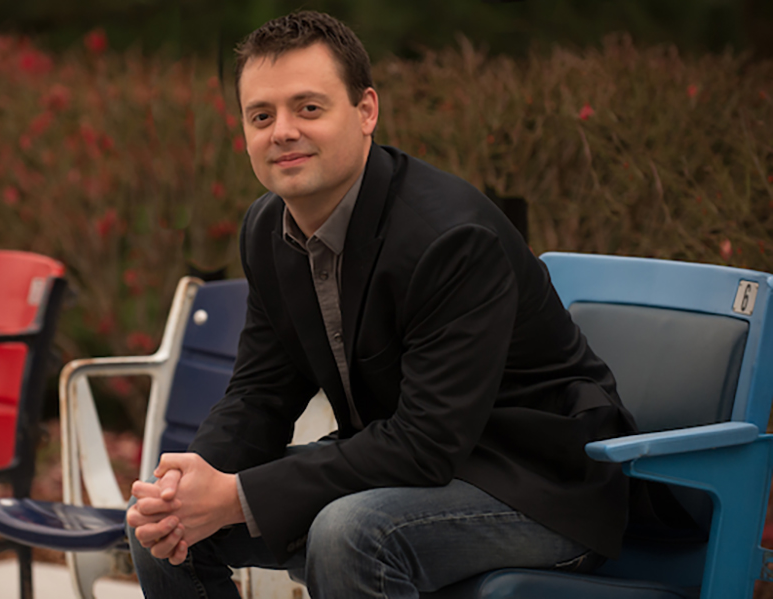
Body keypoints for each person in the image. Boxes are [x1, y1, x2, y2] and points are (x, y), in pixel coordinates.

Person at [126, 11, 638, 598]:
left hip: (535, 486)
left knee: (350, 533)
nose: (283, 131)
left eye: (309, 108)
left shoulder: (450, 238)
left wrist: (238, 497)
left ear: (366, 111)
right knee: (159, 530)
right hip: (404, 468)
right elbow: (260, 394)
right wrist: (191, 488)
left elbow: (426, 442)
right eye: (261, 116)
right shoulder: (268, 228)